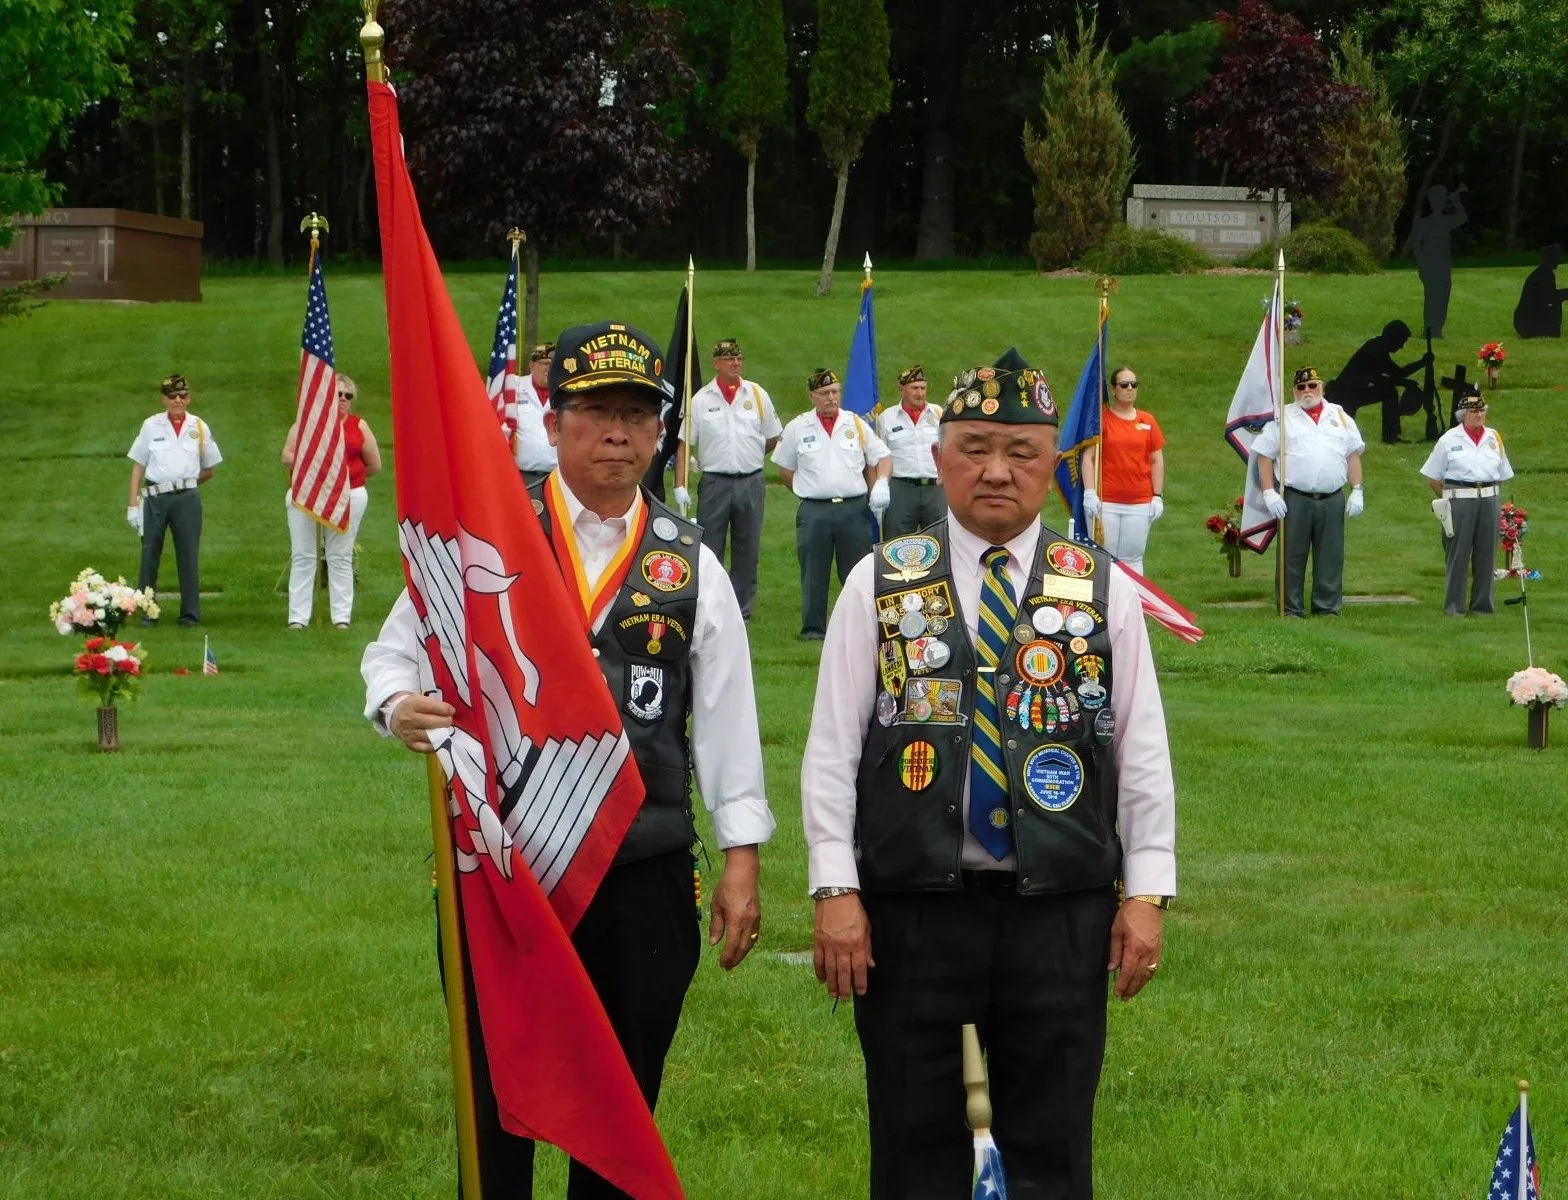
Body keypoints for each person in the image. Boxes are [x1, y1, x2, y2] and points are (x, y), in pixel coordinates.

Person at [361, 320, 774, 1199]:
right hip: (506, 877)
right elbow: (394, 652)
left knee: (621, 1103)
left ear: (661, 433)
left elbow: (732, 721)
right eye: (594, 414)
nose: (616, 434)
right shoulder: (491, 538)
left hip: (645, 871)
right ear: (552, 425)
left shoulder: (689, 559)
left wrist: (740, 858)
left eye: (636, 415)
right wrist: (397, 705)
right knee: (496, 1094)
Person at [799, 350, 1176, 1199]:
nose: (997, 471)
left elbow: (1141, 747)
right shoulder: (882, 583)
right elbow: (832, 751)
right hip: (915, 915)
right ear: (938, 458)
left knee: (1051, 1147)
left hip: (1060, 914)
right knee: (914, 1148)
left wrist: (1146, 891)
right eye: (973, 447)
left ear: (1054, 464)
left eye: (1021, 451)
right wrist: (835, 889)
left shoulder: (1100, 587)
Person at [771, 368, 892, 640]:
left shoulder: (856, 424)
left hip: (853, 509)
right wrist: (808, 490)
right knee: (814, 570)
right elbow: (784, 469)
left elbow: (882, 457)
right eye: (824, 393)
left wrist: (881, 482)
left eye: (835, 392)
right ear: (813, 395)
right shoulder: (798, 427)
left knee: (857, 570)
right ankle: (813, 628)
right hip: (815, 511)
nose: (831, 398)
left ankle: (862, 625)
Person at [673, 338, 782, 619]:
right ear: (717, 364)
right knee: (711, 548)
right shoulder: (701, 400)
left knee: (748, 548)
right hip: (715, 484)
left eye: (738, 359)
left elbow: (772, 436)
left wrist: (752, 454)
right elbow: (685, 443)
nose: (735, 363)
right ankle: (710, 605)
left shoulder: (757, 395)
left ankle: (742, 609)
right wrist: (680, 484)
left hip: (751, 481)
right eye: (729, 359)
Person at [1254, 366, 1366, 617]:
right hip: (1296, 497)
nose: (1307, 391)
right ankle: (1290, 607)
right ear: (1294, 391)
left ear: (1322, 387)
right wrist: (1269, 492)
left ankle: (1327, 608)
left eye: (1312, 385)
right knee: (1291, 556)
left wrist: (1357, 489)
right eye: (1301, 387)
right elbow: (1264, 456)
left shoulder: (1340, 416)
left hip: (1332, 496)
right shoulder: (1282, 417)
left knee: (1331, 555)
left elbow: (1352, 455)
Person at [281, 373, 382, 629]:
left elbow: (374, 464)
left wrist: (343, 478)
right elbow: (287, 455)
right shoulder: (306, 423)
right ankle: (298, 618)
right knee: (304, 554)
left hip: (348, 496)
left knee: (340, 555)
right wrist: (315, 469)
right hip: (307, 494)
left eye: (348, 396)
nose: (343, 400)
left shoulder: (359, 426)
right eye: (338, 394)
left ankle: (341, 618)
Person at [126, 373, 222, 626]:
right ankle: (147, 611)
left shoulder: (199, 427)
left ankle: (189, 614)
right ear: (164, 399)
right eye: (172, 396)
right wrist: (132, 504)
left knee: (188, 555)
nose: (178, 400)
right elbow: (138, 465)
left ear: (189, 399)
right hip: (155, 496)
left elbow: (210, 467)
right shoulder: (151, 425)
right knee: (149, 555)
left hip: (186, 499)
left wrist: (188, 483)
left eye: (182, 396)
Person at [1420, 386, 1514, 616]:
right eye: (1473, 411)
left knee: (1486, 554)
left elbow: (1502, 473)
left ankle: (1483, 606)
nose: (1479, 415)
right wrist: (1449, 497)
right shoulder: (1449, 439)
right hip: (1460, 499)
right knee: (1458, 554)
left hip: (1489, 498)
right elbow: (1433, 477)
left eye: (1482, 410)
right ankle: (1454, 607)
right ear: (1463, 415)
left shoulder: (1494, 437)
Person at [1079, 365, 1166, 573]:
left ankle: (1134, 605)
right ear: (1114, 389)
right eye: (1124, 384)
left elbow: (1156, 460)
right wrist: (1090, 492)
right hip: (1106, 500)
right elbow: (1088, 457)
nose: (1130, 388)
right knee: (1102, 558)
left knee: (1133, 559)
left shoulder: (1147, 420)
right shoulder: (1101, 419)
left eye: (1134, 384)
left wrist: (1157, 495)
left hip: (1139, 502)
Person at [1326, 320, 1435, 444]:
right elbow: (1396, 374)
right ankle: (1390, 435)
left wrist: (1406, 382)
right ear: (1393, 338)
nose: (1401, 347)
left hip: (1353, 391)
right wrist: (1422, 363)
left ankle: (1391, 435)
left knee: (1390, 392)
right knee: (1389, 393)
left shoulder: (1377, 345)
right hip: (1346, 395)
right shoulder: (1377, 350)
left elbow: (1384, 377)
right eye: (1401, 342)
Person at [875, 364, 944, 537]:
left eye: (923, 388)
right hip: (901, 490)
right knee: (896, 544)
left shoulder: (939, 414)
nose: (920, 393)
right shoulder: (886, 419)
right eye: (914, 388)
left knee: (941, 541)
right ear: (902, 389)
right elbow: (880, 456)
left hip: (935, 488)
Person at [1410, 184, 1467, 340]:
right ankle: (1429, 328)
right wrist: (1423, 266)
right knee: (1432, 298)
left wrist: (1456, 202)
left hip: (1443, 266)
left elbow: (1462, 218)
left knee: (1443, 297)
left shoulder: (1444, 221)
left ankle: (1437, 329)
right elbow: (1416, 247)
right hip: (1430, 267)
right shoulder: (1424, 223)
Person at [509, 342, 556, 486]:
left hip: (556, 476)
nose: (549, 368)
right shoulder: (514, 387)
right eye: (545, 363)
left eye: (553, 364)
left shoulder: (565, 392)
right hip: (521, 475)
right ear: (532, 366)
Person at [1513, 244, 1568, 339]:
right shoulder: (1545, 274)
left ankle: (1550, 329)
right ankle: (1549, 329)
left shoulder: (1543, 272)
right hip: (1527, 324)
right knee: (1555, 303)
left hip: (1523, 322)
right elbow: (1550, 298)